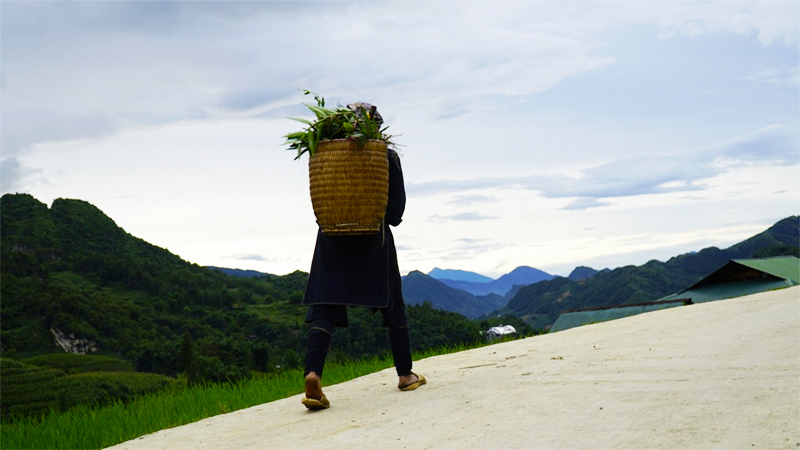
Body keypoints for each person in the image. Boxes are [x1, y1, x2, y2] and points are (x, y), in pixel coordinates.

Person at [301, 103, 425, 410]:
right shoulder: (386, 156)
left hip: (331, 237)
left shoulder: (325, 152)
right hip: (375, 239)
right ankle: (406, 374)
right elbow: (395, 214)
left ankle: (313, 373)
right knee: (392, 303)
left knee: (325, 308)